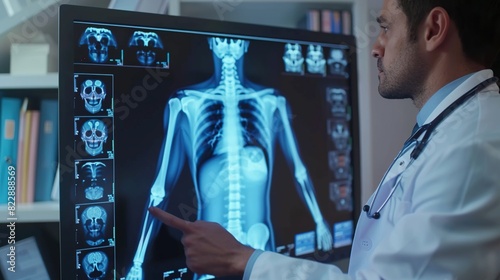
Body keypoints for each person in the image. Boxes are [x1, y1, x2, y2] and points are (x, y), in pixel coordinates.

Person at [148, 0, 500, 278]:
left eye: (385, 28)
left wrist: (245, 260)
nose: (375, 47)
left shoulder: (470, 148)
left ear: (433, 29)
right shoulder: (449, 127)